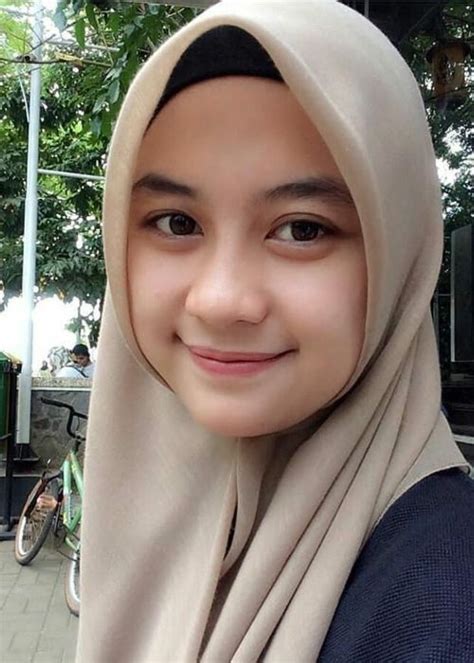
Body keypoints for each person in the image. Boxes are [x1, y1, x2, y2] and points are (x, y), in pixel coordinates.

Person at [76, 2, 474, 662]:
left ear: (397, 256)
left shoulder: (441, 608)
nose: (221, 300)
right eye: (176, 222)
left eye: (303, 229)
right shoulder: (161, 503)